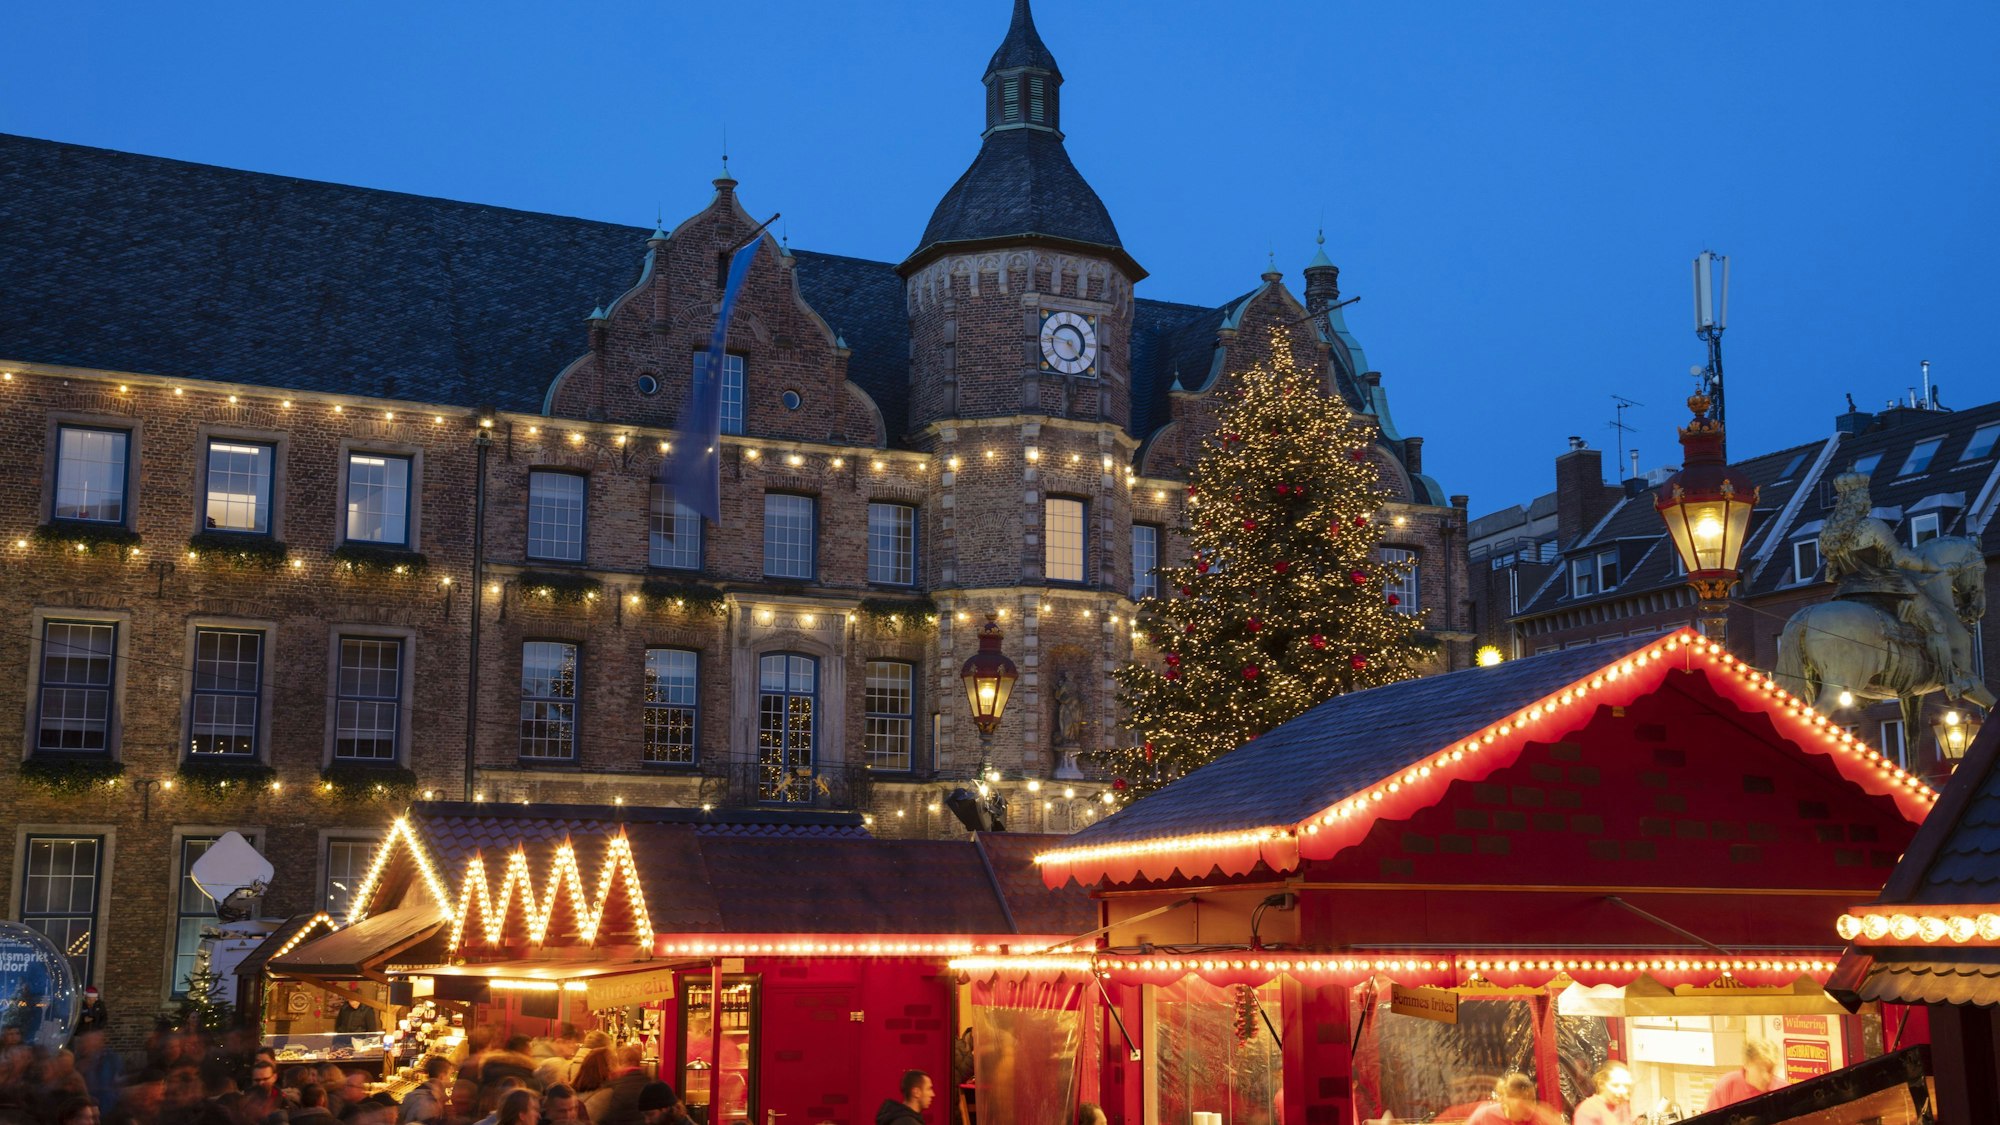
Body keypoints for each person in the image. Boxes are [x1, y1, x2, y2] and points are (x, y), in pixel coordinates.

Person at [1704, 1040, 1783, 1111]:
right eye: (1760, 1070)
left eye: (1770, 1070)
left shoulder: (1783, 1089)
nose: (1767, 1077)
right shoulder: (1725, 1086)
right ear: (1747, 1064)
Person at [1464, 1074, 1559, 1125]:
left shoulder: (1540, 1118)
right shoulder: (1485, 1115)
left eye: (1533, 1099)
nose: (1530, 1106)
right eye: (1524, 1100)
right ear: (1507, 1100)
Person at [398, 1058, 452, 1125]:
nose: (450, 1080)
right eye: (450, 1075)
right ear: (442, 1076)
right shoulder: (428, 1102)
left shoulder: (413, 1094)